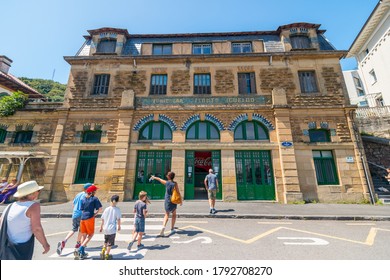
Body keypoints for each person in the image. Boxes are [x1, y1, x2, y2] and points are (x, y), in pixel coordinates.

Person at [0, 180, 50, 259]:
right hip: (22, 248)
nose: (39, 192)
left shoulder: (10, 206)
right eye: (38, 191)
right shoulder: (34, 206)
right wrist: (45, 244)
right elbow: (36, 229)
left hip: (6, 248)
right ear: (32, 193)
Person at [56, 182, 92, 255]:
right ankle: (78, 244)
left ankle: (64, 241)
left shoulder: (78, 194)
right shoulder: (87, 196)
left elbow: (74, 203)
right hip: (82, 215)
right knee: (82, 230)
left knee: (74, 229)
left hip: (75, 214)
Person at [151, 171, 182, 236]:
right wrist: (181, 201)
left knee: (167, 214)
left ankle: (163, 226)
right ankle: (172, 228)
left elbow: (159, 179)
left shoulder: (167, 183)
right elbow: (178, 192)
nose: (166, 176)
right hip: (173, 199)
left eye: (167, 175)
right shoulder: (175, 183)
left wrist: (154, 177)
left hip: (167, 199)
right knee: (174, 214)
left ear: (169, 176)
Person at [75, 185, 102, 259]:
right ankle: (81, 248)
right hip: (90, 218)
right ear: (93, 192)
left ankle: (82, 252)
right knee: (91, 234)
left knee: (84, 234)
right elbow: (100, 209)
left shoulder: (83, 198)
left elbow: (82, 209)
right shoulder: (95, 198)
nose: (96, 191)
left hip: (82, 218)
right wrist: (94, 214)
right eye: (95, 190)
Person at [99, 194, 121, 260]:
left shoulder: (106, 209)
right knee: (110, 243)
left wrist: (101, 227)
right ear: (117, 202)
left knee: (105, 240)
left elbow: (102, 218)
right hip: (112, 228)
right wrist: (119, 226)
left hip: (105, 228)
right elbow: (118, 219)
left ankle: (103, 250)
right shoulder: (117, 209)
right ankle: (107, 255)